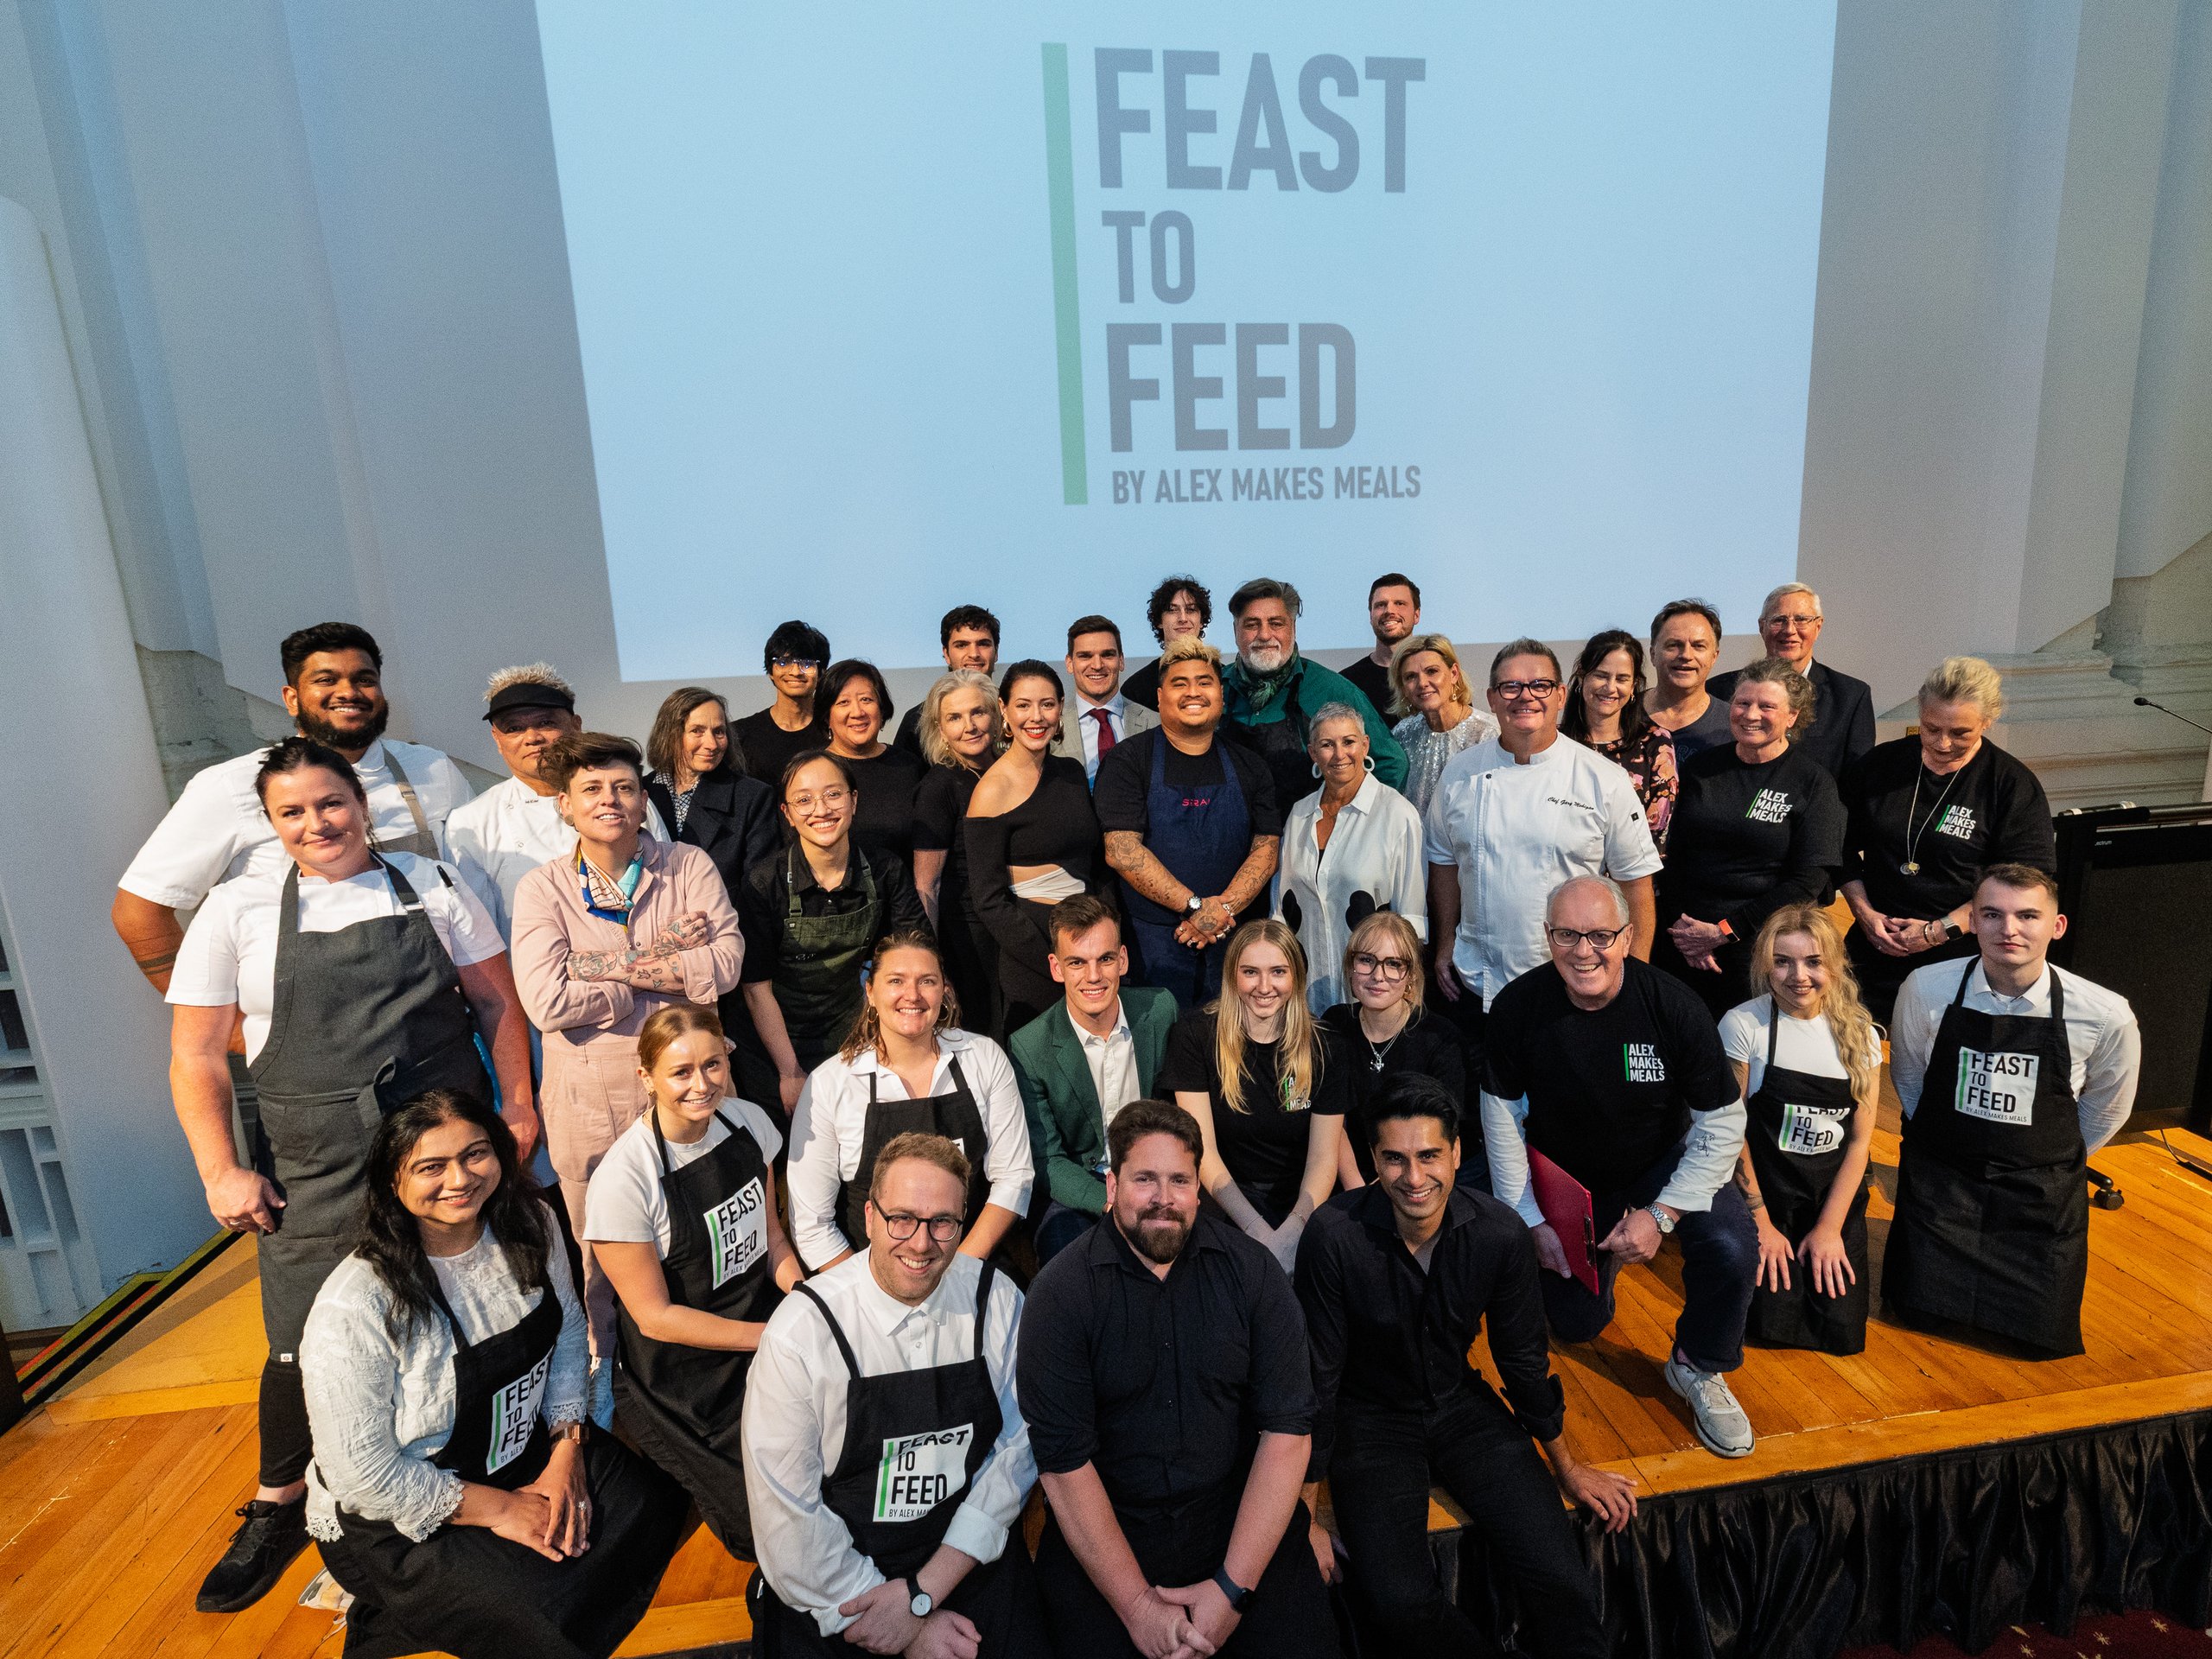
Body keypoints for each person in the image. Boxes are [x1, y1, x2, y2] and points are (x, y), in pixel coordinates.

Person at [164, 738, 532, 1614]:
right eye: (291, 812)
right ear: (271, 823)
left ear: (361, 804)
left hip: (442, 1149)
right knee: (298, 1338)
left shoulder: (431, 885)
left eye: (331, 803)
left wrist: (517, 1108)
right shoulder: (238, 908)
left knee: (458, 1308)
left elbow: (496, 1003)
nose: (316, 823)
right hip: (317, 1161)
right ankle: (278, 1502)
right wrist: (220, 1170)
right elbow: (196, 1056)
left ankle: (470, 1468)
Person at [302, 1090, 685, 1659]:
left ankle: (460, 1608)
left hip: (526, 1454)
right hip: (410, 1511)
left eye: (475, 1154)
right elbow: (363, 1476)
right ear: (392, 1182)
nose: (459, 1179)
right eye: (431, 1167)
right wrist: (503, 1510)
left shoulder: (530, 1221)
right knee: (538, 1618)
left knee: (651, 1506)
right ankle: (388, 1617)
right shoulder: (356, 1304)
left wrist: (566, 1452)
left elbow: (567, 1332)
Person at [1297, 1075, 1634, 1658]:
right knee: (1400, 1604)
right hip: (1369, 1421)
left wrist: (1568, 1467)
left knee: (1560, 1576)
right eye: (1395, 1159)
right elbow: (1317, 1383)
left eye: (1430, 1155)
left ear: (1456, 1154)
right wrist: (1302, 1517)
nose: (1414, 1177)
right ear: (1374, 1159)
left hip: (1461, 1406)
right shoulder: (1333, 1237)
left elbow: (1523, 1361)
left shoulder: (1500, 1233)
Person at [1018, 1098, 1341, 1659]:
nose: (1163, 1197)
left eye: (1179, 1180)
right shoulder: (1060, 1294)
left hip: (1239, 1520)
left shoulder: (1254, 1273)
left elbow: (1287, 1434)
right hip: (1111, 1531)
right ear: (1112, 1186)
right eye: (1144, 1179)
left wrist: (1231, 1591)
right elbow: (1065, 1469)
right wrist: (1138, 1607)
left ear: (1198, 1190)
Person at [1480, 876, 1758, 1459]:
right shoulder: (1517, 1007)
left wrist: (1662, 1215)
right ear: (1548, 937)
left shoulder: (1675, 1006)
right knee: (1577, 1323)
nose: (1584, 951)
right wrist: (1530, 1219)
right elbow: (1501, 1119)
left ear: (1628, 937)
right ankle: (1602, 1262)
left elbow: (1723, 1124)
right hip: (1570, 1172)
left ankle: (1698, 1363)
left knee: (1733, 1245)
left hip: (1661, 1159)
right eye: (1567, 935)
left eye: (1601, 935)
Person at [742, 1134, 1046, 1654]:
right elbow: (789, 1521)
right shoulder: (801, 1334)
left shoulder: (995, 1300)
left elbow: (1017, 1451)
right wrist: (908, 1627)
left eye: (942, 1222)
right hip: (841, 1580)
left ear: (963, 1223)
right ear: (868, 1217)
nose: (921, 1244)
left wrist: (926, 1591)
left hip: (963, 1554)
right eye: (901, 1219)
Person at [512, 733, 744, 1357]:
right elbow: (547, 1002)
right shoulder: (542, 888)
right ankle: (609, 1374)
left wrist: (599, 968)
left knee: (710, 1230)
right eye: (591, 789)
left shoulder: (688, 865)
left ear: (644, 800)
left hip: (694, 1090)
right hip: (594, 1103)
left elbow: (725, 965)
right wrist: (666, 957)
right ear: (565, 805)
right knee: (604, 1261)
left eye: (623, 787)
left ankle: (713, 1355)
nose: (609, 800)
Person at [114, 621, 474, 1000]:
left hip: (439, 1007)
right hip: (303, 1019)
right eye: (326, 680)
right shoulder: (230, 786)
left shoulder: (431, 768)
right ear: (291, 698)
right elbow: (138, 912)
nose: (348, 692)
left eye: (364, 679)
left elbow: (472, 892)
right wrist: (221, 1019)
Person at [1885, 865, 2140, 1358]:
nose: (2009, 929)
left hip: (2038, 1197)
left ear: (2056, 926)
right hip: (1942, 1183)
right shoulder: (1926, 987)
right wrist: (1938, 1143)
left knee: (2036, 1338)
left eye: (2027, 916)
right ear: (1973, 922)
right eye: (1992, 915)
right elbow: (1910, 1076)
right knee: (1916, 1311)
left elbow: (2110, 1106)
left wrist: (2049, 1159)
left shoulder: (2105, 1013)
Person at [585, 1004, 802, 1559]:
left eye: (712, 1065)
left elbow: (772, 1238)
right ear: (647, 1077)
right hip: (682, 1383)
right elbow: (655, 1318)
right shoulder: (623, 1180)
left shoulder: (748, 1122)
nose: (702, 1085)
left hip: (760, 1335)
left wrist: (805, 1303)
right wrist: (773, 1337)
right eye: (681, 1072)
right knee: (764, 1533)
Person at [1425, 639, 1662, 1065]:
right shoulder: (1459, 774)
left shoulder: (1602, 779)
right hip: (1475, 982)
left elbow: (1636, 887)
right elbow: (1444, 863)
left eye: (1540, 685)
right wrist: (1444, 943)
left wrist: (1632, 980)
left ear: (1560, 695)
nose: (1525, 697)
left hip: (1570, 984)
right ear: (1492, 698)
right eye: (1511, 687)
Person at [785, 931, 1034, 1271]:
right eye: (896, 981)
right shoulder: (830, 1084)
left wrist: (959, 1271)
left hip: (968, 1263)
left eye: (926, 981)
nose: (912, 995)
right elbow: (813, 1225)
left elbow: (1014, 1178)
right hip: (868, 1276)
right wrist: (867, 1292)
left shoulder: (984, 1058)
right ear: (870, 992)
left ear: (944, 990)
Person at [1839, 656, 2057, 1023]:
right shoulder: (1880, 765)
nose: (1942, 743)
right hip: (1873, 949)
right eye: (1931, 728)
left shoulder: (2010, 785)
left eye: (1960, 733)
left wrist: (1938, 931)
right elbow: (1837, 846)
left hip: (1961, 959)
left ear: (1987, 721)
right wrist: (1864, 914)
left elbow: (2027, 884)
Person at [733, 753, 928, 1120]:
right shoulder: (764, 883)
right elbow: (756, 989)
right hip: (772, 1040)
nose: (821, 810)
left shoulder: (885, 869)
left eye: (833, 795)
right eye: (804, 800)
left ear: (854, 800)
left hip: (848, 1030)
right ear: (787, 814)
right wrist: (789, 1072)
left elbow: (915, 951)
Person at [1722, 906, 1881, 1357]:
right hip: (1765, 1195)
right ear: (1764, 966)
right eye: (1782, 962)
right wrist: (1761, 1224)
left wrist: (1830, 1228)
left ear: (1835, 964)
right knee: (1762, 1317)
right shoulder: (1744, 1025)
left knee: (1840, 1328)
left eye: (1814, 962)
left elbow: (1859, 1143)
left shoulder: (1862, 1035)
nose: (1799, 977)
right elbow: (1729, 1132)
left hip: (1829, 1197)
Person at [1652, 658, 1846, 1018]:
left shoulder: (1812, 782)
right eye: (1743, 703)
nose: (1751, 714)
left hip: (1759, 951)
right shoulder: (1700, 768)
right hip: (1682, 941)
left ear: (1792, 716)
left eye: (1766, 706)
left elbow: (1809, 879)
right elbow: (1669, 853)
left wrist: (1725, 931)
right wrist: (1683, 929)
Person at [1096, 638, 1283, 1008]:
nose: (1193, 692)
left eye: (1204, 682)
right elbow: (1121, 850)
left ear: (1221, 696)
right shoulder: (1128, 760)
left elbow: (1267, 849)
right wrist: (1197, 908)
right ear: (1160, 697)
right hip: (1151, 950)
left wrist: (1221, 911)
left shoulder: (1250, 765)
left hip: (1234, 947)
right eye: (1179, 683)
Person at [1157, 919, 1351, 1273]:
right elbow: (1203, 1152)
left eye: (1278, 972)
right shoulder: (1195, 1036)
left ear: (1296, 977)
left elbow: (1324, 1158)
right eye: (1250, 972)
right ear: (1232, 976)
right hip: (1225, 1197)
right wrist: (1255, 1229)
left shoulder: (1326, 1046)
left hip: (1303, 1201)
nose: (1264, 987)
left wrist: (1292, 1232)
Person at [1007, 896, 1179, 1264]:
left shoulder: (1160, 1010)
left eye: (1105, 959)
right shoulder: (1030, 1046)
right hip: (1077, 1187)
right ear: (1056, 968)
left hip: (1154, 1174)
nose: (1093, 976)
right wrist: (1112, 1201)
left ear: (1123, 960)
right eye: (1077, 963)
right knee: (1074, 1264)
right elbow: (1046, 1159)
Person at [446, 664, 668, 944]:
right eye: (514, 728)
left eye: (546, 723)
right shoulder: (472, 822)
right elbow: (477, 937)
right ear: (497, 739)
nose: (532, 738)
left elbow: (666, 885)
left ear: (576, 726)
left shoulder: (622, 799)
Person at [967, 660, 1105, 1033]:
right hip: (1033, 958)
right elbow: (988, 900)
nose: (1036, 717)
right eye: (1023, 705)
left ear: (1060, 708)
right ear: (1004, 709)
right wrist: (1052, 960)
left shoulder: (1072, 772)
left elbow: (1096, 863)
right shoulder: (991, 790)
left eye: (1047, 704)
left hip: (1092, 947)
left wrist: (1105, 937)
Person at [1274, 702, 1427, 1013]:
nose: (1339, 754)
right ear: (1313, 753)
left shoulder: (1397, 814)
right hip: (1305, 998)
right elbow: (1280, 911)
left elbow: (1411, 922)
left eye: (1349, 742)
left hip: (1373, 999)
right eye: (1327, 745)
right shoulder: (1299, 814)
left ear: (1365, 745)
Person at [1318, 911, 1477, 1191]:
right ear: (1351, 967)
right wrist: (1359, 1192)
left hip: (1421, 1179)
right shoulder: (1335, 1023)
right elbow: (1331, 1120)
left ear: (1411, 975)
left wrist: (1386, 1190)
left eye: (1393, 964)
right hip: (1349, 1180)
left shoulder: (1440, 1039)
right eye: (1366, 960)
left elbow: (1442, 1134)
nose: (1378, 975)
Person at [1221, 576, 1407, 809]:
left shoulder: (1330, 689)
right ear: (1235, 630)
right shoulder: (1215, 687)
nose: (1265, 635)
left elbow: (1392, 763)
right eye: (1252, 625)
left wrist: (1355, 822)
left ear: (1293, 628)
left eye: (1276, 624)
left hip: (1304, 830)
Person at [912, 670, 1006, 1039]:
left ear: (996, 714)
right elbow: (927, 885)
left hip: (1015, 926)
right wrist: (932, 962)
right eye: (954, 717)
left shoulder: (1013, 771)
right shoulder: (938, 786)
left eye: (977, 712)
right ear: (940, 727)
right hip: (967, 939)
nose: (969, 726)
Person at [1708, 583, 1876, 777]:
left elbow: (1859, 777)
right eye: (1779, 620)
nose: (1789, 630)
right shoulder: (1719, 689)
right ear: (1762, 627)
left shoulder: (1850, 696)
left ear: (1818, 627)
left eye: (1801, 620)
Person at [642, 687, 779, 912]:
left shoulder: (753, 797)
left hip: (723, 925)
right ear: (670, 734)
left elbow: (760, 888)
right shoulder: (640, 793)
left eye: (719, 732)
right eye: (697, 731)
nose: (712, 744)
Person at [1561, 629, 1680, 852]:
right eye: (1601, 675)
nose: (1610, 687)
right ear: (1581, 677)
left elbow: (1656, 833)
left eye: (1622, 679)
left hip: (1633, 871)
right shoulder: (1555, 742)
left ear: (1634, 686)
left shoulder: (1655, 743)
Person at [820, 658, 926, 871]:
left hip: (903, 889)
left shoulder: (909, 766)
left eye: (866, 700)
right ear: (826, 716)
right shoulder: (811, 772)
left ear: (882, 708)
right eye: (843, 702)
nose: (858, 712)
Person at [1386, 632, 1497, 817]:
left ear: (1454, 674)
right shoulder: (1402, 735)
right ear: (1403, 687)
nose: (1422, 683)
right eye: (1411, 677)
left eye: (1432, 671)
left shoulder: (1488, 734)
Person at [892, 604, 1002, 757]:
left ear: (996, 651)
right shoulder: (917, 720)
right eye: (962, 645)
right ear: (946, 654)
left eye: (983, 644)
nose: (974, 654)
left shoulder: (1016, 710)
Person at [1060, 613, 1160, 782]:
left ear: (1121, 660)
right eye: (1085, 656)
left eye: (1107, 655)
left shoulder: (1156, 723)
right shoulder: (1052, 726)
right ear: (1069, 663)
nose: (1097, 665)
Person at [734, 620, 830, 787]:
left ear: (821, 672)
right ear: (771, 671)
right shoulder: (740, 734)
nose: (795, 672)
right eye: (784, 662)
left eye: (807, 663)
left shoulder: (835, 730)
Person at [1643, 599, 1732, 763]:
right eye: (1674, 645)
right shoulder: (1620, 716)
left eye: (1698, 646)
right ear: (1653, 654)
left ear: (1714, 657)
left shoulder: (1734, 725)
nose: (1686, 655)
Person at [1122, 574, 1211, 712]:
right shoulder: (1135, 689)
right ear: (1159, 621)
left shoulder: (1224, 678)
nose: (1183, 618)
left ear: (1201, 621)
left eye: (1190, 610)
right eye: (1172, 610)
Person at [1343, 571, 1421, 719]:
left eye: (1399, 603)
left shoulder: (1435, 677)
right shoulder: (1348, 683)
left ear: (1416, 615)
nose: (1390, 611)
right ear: (1371, 616)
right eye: (1380, 605)